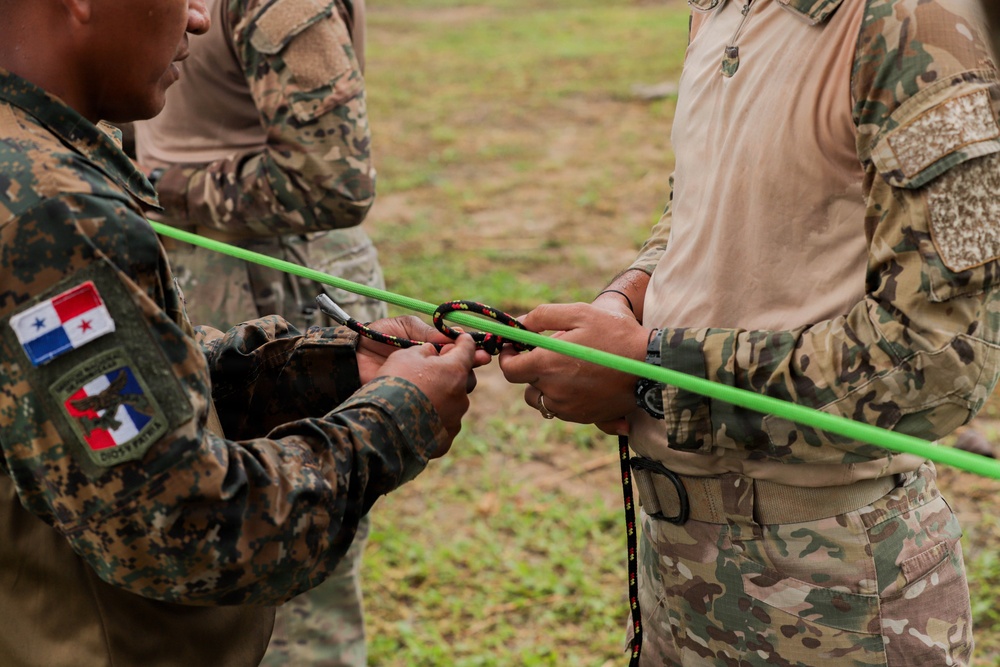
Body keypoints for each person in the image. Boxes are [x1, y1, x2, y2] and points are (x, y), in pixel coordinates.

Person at [499, 0, 1000, 664]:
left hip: (838, 586)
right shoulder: (717, 8)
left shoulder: (912, 20)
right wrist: (627, 298)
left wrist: (651, 374)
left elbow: (938, 363)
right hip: (675, 561)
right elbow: (701, 206)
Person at [0, 1, 490, 666]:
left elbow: (97, 395)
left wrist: (322, 367)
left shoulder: (31, 169)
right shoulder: (53, 217)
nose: (198, 17)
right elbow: (182, 524)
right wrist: (393, 420)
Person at [132, 0, 384, 663]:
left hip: (275, 280)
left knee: (292, 574)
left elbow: (333, 179)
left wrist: (158, 188)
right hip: (198, 269)